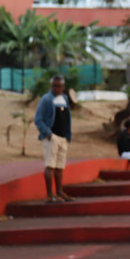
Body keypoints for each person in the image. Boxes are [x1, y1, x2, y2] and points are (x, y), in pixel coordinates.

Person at [34, 75, 75, 203]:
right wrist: (48, 134)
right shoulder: (46, 99)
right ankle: (49, 194)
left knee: (59, 167)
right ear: (51, 86)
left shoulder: (64, 99)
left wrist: (68, 135)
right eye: (55, 86)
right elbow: (38, 119)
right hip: (52, 137)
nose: (57, 88)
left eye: (60, 86)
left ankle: (59, 192)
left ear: (63, 87)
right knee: (50, 165)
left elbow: (67, 117)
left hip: (63, 137)